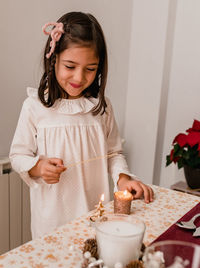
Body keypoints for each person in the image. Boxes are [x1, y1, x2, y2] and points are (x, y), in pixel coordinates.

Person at [9, 12, 153, 239]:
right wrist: (38, 167)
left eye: (90, 69)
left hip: (95, 219)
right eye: (70, 66)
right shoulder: (34, 107)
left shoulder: (101, 108)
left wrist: (123, 178)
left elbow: (114, 152)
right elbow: (17, 155)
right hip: (51, 223)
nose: (79, 77)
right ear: (53, 59)